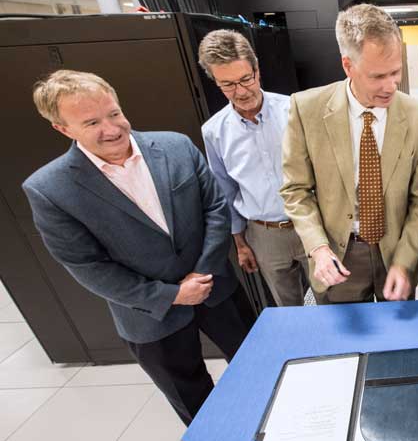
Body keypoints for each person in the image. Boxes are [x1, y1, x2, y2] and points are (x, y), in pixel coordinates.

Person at [22, 70, 250, 425]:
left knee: (257, 364)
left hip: (216, 288)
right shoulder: (49, 189)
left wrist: (202, 272)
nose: (111, 129)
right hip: (149, 315)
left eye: (113, 113)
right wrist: (171, 295)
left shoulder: (175, 146)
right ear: (63, 128)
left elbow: (215, 209)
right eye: (92, 122)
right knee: (193, 400)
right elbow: (87, 266)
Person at [280, 4, 418, 304]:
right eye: (378, 76)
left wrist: (404, 261)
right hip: (339, 255)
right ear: (347, 65)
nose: (390, 86)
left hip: (395, 250)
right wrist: (318, 248)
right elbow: (296, 191)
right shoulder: (307, 110)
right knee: (348, 344)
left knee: (397, 341)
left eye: (396, 72)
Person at [198, 29, 309, 307]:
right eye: (228, 85)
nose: (241, 91)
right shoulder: (214, 132)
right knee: (288, 309)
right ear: (215, 82)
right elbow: (225, 191)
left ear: (257, 70)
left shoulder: (295, 110)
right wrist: (240, 243)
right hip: (263, 233)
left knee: (330, 301)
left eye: (245, 79)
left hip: (309, 223)